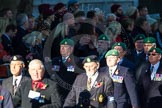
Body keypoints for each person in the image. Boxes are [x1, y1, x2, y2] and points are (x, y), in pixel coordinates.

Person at [52, 38, 83, 105]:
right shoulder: (55, 60)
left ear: (71, 49)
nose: (62, 49)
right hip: (57, 91)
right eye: (61, 47)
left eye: (65, 47)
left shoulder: (77, 61)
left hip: (69, 91)